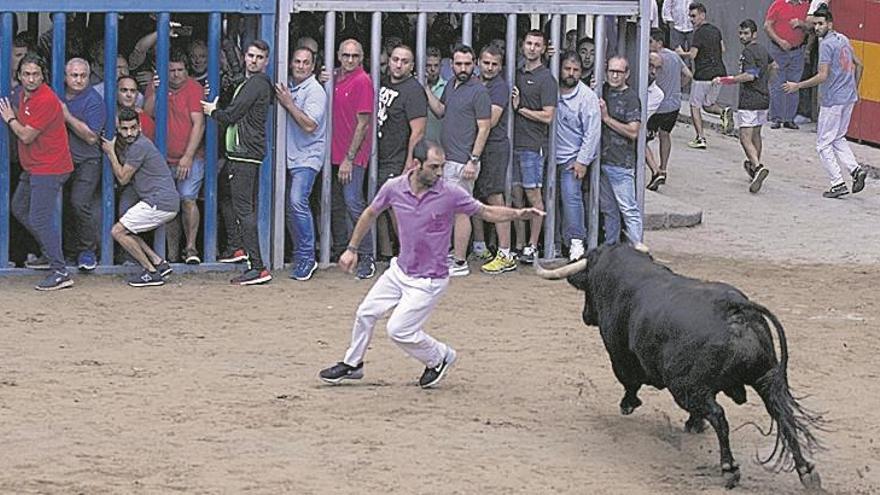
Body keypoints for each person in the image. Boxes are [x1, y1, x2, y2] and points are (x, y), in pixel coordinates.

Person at [318, 140, 544, 389]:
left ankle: (440, 357)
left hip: (429, 280)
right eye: (434, 167)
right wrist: (352, 249)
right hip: (400, 271)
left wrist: (518, 214)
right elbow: (371, 212)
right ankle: (353, 364)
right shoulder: (394, 187)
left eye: (442, 167)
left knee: (398, 330)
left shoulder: (451, 192)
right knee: (365, 313)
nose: (439, 173)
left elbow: (486, 212)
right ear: (416, 165)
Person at [0, 53, 75, 290]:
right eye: (26, 74)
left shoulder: (45, 99)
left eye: (35, 74)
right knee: (19, 207)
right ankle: (49, 251)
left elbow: (26, 135)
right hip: (35, 166)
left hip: (49, 167)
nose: (31, 79)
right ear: (19, 76)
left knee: (39, 218)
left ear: (43, 76)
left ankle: (60, 270)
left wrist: (10, 118)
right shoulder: (23, 95)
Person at [202, 39, 273, 285]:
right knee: (226, 194)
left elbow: (232, 114)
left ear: (266, 61)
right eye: (251, 56)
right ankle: (237, 247)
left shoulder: (257, 83)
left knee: (244, 208)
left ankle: (258, 266)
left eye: (259, 57)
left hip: (245, 154)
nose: (254, 60)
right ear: (245, 57)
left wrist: (212, 111)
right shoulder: (249, 83)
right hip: (239, 153)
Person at [783, 6, 866, 198]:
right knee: (838, 137)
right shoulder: (843, 39)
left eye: (821, 24)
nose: (817, 28)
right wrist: (855, 88)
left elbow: (822, 76)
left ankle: (837, 183)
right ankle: (855, 170)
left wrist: (798, 85)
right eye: (815, 24)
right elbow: (859, 64)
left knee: (822, 144)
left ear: (830, 23)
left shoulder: (827, 44)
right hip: (848, 97)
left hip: (833, 100)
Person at [425, 44, 491, 277]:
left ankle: (461, 262)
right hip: (448, 160)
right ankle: (456, 254)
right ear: (451, 65)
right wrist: (425, 89)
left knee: (461, 212)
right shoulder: (451, 86)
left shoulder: (479, 91)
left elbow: (484, 128)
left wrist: (473, 160)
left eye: (467, 63)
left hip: (464, 162)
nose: (463, 68)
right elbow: (441, 110)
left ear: (474, 64)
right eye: (458, 63)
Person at [101, 107, 179, 287]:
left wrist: (110, 152)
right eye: (124, 129)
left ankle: (151, 272)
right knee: (127, 229)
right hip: (163, 201)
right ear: (118, 129)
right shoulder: (137, 144)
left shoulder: (139, 146)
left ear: (140, 126)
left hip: (159, 202)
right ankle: (159, 263)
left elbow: (122, 178)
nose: (129, 133)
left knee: (117, 232)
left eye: (133, 128)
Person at [145, 50, 206, 264]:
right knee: (169, 205)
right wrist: (155, 90)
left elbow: (199, 123)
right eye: (171, 70)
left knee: (188, 199)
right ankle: (170, 254)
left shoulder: (194, 88)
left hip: (191, 157)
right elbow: (147, 113)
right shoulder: (156, 85)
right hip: (163, 158)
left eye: (180, 70)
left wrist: (188, 157)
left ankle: (190, 249)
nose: (176, 74)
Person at [275, 46, 327, 281]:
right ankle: (299, 254)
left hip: (307, 156)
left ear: (313, 66)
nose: (301, 66)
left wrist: (288, 103)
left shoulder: (314, 90)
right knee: (288, 208)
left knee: (297, 202)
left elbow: (309, 125)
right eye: (297, 61)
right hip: (289, 155)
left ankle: (308, 257)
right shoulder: (289, 84)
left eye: (306, 62)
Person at [329, 39, 376, 279]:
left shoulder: (363, 81)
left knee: (354, 203)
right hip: (333, 152)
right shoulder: (335, 77)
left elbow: (363, 124)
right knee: (337, 205)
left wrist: (349, 157)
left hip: (352, 154)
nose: (350, 60)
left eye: (355, 56)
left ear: (362, 57)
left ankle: (367, 255)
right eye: (346, 55)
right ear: (338, 55)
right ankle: (341, 251)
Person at [376, 45, 427, 261]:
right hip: (380, 155)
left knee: (398, 209)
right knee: (380, 206)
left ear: (412, 66)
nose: (399, 64)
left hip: (397, 159)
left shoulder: (413, 90)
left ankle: (411, 255)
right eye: (395, 59)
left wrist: (408, 163)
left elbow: (418, 130)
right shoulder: (384, 83)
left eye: (405, 61)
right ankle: (388, 255)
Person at [511, 29, 557, 264]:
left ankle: (532, 245)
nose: (532, 48)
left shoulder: (547, 78)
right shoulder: (516, 72)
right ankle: (518, 244)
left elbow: (548, 116)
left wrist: (520, 109)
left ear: (543, 48)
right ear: (522, 45)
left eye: (537, 45)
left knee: (533, 196)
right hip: (514, 143)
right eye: (529, 43)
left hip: (532, 145)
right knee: (516, 197)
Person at [714, 19, 775, 194]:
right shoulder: (763, 50)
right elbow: (774, 66)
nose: (742, 36)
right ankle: (756, 168)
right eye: (741, 33)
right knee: (756, 134)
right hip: (763, 98)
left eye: (746, 33)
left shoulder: (748, 52)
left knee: (744, 137)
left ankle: (756, 166)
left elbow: (750, 75)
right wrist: (767, 82)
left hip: (749, 99)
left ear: (754, 34)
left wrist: (727, 80)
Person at [473, 45, 516, 275]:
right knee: (476, 196)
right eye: (486, 62)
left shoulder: (499, 87)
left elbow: (490, 120)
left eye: (494, 64)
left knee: (495, 197)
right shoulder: (476, 82)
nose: (489, 68)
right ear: (479, 61)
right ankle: (480, 248)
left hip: (494, 148)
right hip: (478, 147)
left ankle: (505, 253)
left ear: (501, 66)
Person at [599, 56, 647, 253]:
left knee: (628, 210)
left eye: (619, 72)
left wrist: (607, 118)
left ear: (627, 74)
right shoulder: (602, 90)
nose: (615, 75)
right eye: (612, 71)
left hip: (621, 162)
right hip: (602, 161)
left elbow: (633, 132)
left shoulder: (631, 98)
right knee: (609, 210)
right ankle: (612, 252)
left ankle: (638, 253)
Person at [555, 51, 600, 262]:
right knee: (548, 202)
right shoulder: (551, 88)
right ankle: (553, 243)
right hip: (547, 155)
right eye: (567, 69)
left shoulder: (587, 96)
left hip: (571, 159)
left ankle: (576, 243)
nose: (571, 73)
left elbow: (592, 132)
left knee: (572, 200)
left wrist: (582, 161)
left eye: (576, 70)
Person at [61, 58, 106, 272]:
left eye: (83, 76)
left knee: (79, 203)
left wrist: (67, 116)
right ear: (65, 77)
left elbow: (91, 138)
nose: (78, 80)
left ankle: (88, 251)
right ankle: (68, 253)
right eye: (74, 75)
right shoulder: (57, 94)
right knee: (62, 206)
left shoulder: (94, 100)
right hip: (61, 161)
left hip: (88, 161)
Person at [677, 2, 732, 147]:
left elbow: (693, 55)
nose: (692, 20)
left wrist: (681, 53)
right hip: (719, 74)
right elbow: (723, 49)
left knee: (694, 106)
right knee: (708, 105)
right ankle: (723, 112)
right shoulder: (716, 30)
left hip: (703, 75)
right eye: (690, 17)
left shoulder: (699, 33)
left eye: (694, 16)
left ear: (703, 14)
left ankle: (700, 138)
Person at [646, 29, 691, 191]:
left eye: (650, 41)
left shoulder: (659, 56)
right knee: (665, 135)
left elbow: (656, 60)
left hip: (658, 107)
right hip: (674, 105)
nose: (648, 44)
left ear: (659, 43)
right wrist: (678, 87)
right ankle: (663, 168)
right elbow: (688, 75)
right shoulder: (675, 56)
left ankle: (655, 170)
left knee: (642, 139)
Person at [765, 0, 811, 130]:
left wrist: (802, 24)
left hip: (798, 50)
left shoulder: (805, 7)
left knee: (794, 84)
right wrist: (780, 41)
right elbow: (767, 26)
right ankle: (776, 118)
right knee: (777, 84)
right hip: (779, 50)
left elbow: (812, 28)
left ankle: (789, 119)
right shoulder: (778, 4)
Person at [424, 47, 447, 143]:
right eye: (428, 65)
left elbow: (440, 113)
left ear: (441, 66)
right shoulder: (414, 87)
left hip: (439, 144)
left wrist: (425, 87)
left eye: (436, 65)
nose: (432, 69)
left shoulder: (448, 87)